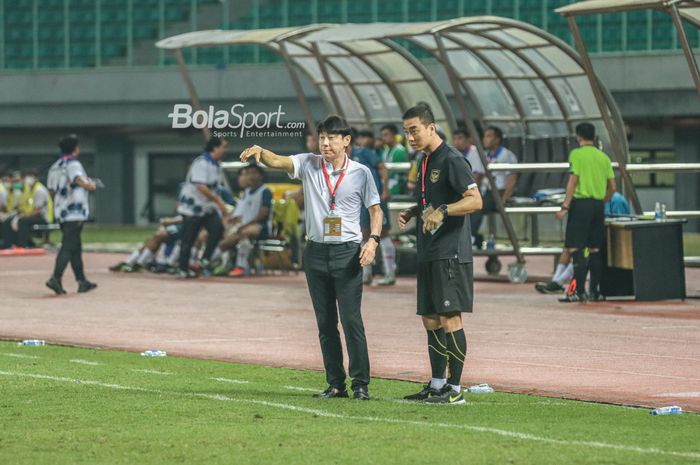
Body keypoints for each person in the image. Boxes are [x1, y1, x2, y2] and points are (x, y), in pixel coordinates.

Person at [240, 115, 382, 401]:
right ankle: (335, 384)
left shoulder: (361, 173)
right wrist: (261, 152)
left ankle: (361, 384)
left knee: (351, 320)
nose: (325, 143)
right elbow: (278, 161)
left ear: (346, 141)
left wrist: (373, 241)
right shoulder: (308, 163)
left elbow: (375, 210)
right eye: (322, 138)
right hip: (315, 252)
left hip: (347, 253)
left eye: (331, 138)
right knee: (325, 323)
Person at [398, 104, 482, 405]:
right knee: (430, 319)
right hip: (429, 250)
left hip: (450, 252)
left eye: (414, 130)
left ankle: (455, 390)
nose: (410, 137)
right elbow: (433, 200)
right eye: (407, 132)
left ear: (431, 128)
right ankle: (436, 384)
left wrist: (444, 211)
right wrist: (414, 211)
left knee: (450, 318)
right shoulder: (426, 160)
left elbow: (475, 200)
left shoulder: (452, 159)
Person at [555, 123, 616, 302]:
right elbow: (613, 187)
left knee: (576, 249)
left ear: (578, 136)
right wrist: (601, 200)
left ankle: (576, 290)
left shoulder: (577, 154)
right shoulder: (603, 157)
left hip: (580, 205)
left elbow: (573, 181)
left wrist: (565, 207)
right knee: (595, 249)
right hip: (598, 206)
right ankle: (595, 291)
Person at [535, 192, 629, 295]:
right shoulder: (592, 199)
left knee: (583, 252)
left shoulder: (616, 200)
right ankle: (556, 281)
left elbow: (619, 220)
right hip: (591, 233)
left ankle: (559, 282)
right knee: (568, 248)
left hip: (605, 238)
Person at [45, 134, 98, 295]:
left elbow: (51, 189)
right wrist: (90, 185)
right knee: (69, 245)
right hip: (74, 212)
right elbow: (78, 180)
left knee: (75, 247)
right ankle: (56, 277)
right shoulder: (73, 164)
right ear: (75, 149)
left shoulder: (56, 165)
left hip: (61, 210)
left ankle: (82, 281)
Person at [176, 137, 229, 278]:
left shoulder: (216, 165)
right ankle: (183, 267)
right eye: (223, 147)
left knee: (217, 229)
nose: (225, 150)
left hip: (207, 207)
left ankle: (204, 259)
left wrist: (219, 201)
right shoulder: (201, 163)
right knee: (189, 238)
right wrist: (218, 201)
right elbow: (200, 185)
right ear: (215, 148)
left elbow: (216, 187)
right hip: (193, 206)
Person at [350, 130, 396, 286]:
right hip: (360, 202)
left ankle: (390, 273)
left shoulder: (364, 153)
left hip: (375, 199)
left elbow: (382, 168)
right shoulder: (342, 158)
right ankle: (366, 274)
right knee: (363, 235)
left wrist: (385, 189)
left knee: (382, 234)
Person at [216, 164, 272, 278]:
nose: (251, 176)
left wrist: (245, 225)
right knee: (224, 238)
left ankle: (241, 266)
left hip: (260, 226)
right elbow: (243, 212)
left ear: (261, 176)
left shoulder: (265, 191)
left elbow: (263, 213)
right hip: (244, 225)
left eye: (254, 173)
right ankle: (223, 264)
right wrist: (234, 220)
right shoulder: (246, 192)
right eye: (248, 173)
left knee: (244, 233)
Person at [469, 126, 518, 248]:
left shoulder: (506, 155)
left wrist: (504, 199)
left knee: (477, 207)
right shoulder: (485, 155)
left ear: (497, 139)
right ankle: (475, 238)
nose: (484, 139)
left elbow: (512, 180)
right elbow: (478, 176)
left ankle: (470, 237)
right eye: (484, 136)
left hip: (498, 192)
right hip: (486, 192)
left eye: (488, 136)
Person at [15, 171, 53, 247]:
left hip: (44, 217)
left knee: (22, 221)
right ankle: (26, 243)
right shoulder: (31, 189)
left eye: (30, 177)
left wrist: (24, 215)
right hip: (37, 215)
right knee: (19, 220)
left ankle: (23, 245)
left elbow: (37, 210)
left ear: (36, 178)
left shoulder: (39, 190)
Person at [380, 124, 409, 196]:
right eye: (382, 135)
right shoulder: (385, 150)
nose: (383, 138)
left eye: (386, 135)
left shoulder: (400, 151)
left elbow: (395, 174)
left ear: (394, 135)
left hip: (396, 187)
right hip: (386, 185)